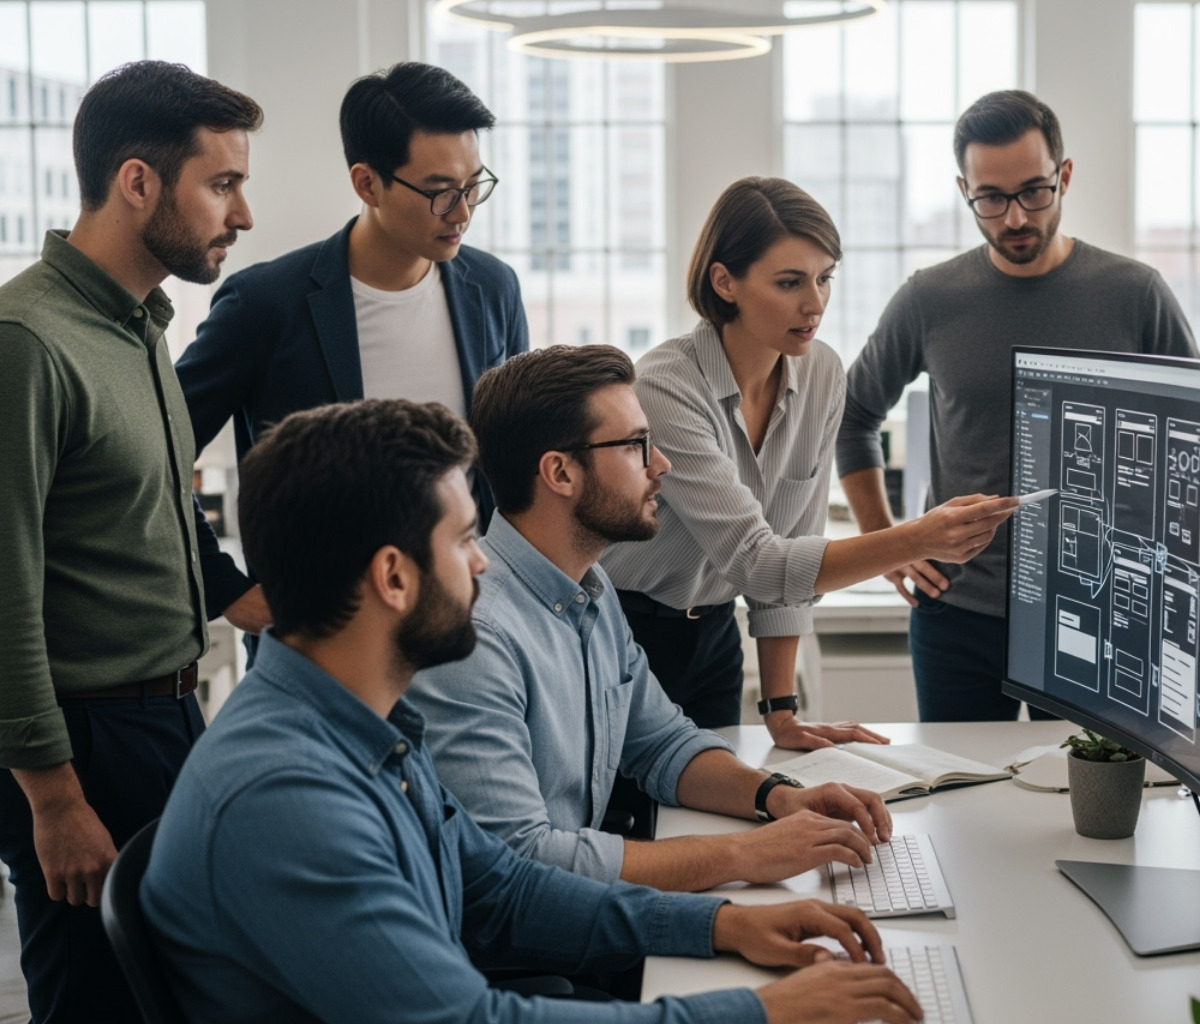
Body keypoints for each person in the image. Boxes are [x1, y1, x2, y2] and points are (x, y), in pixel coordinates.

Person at [142, 398, 923, 1024]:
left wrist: (720, 924)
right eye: (460, 541)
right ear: (393, 577)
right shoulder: (286, 796)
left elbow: (502, 890)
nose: (483, 561)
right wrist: (754, 1012)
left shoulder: (365, 727)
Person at [412, 345, 896, 895]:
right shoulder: (477, 637)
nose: (661, 463)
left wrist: (779, 796)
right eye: (637, 445)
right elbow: (521, 860)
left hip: (581, 912)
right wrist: (743, 854)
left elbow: (662, 744)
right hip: (524, 951)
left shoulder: (591, 590)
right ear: (560, 472)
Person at [0, 61, 262, 1023]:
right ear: (139, 181)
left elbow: (148, 514)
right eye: (223, 183)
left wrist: (251, 600)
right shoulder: (27, 340)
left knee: (172, 990)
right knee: (92, 1001)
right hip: (82, 742)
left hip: (166, 716)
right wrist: (53, 797)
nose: (242, 215)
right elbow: (4, 586)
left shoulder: (141, 324)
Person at [600, 177, 1020, 744]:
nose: (815, 303)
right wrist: (916, 539)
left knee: (712, 807)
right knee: (644, 819)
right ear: (725, 282)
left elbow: (790, 549)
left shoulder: (822, 373)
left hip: (716, 634)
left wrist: (781, 712)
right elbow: (759, 562)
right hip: (627, 633)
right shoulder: (663, 389)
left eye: (825, 279)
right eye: (790, 282)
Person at [835, 90, 1199, 723]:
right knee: (959, 809)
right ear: (963, 190)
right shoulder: (930, 298)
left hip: (1101, 607)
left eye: (1034, 192)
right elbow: (852, 416)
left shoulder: (1134, 293)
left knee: (1089, 814)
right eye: (991, 199)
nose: (1014, 219)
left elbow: (1194, 436)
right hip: (958, 614)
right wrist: (888, 542)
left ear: (1064, 175)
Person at [175, 61, 528, 642]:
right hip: (321, 642)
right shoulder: (265, 305)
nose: (463, 213)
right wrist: (225, 587)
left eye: (473, 187)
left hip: (471, 632)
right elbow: (156, 454)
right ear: (367, 183)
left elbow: (513, 464)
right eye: (441, 193)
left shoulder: (493, 289)